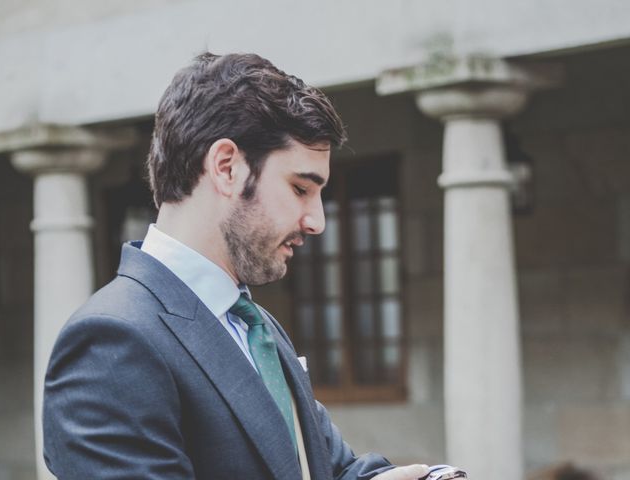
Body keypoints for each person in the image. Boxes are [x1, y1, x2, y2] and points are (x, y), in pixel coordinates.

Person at [43, 52, 434, 479]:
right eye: (301, 188)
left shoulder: (255, 325)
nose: (317, 222)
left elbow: (326, 469)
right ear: (227, 167)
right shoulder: (111, 341)